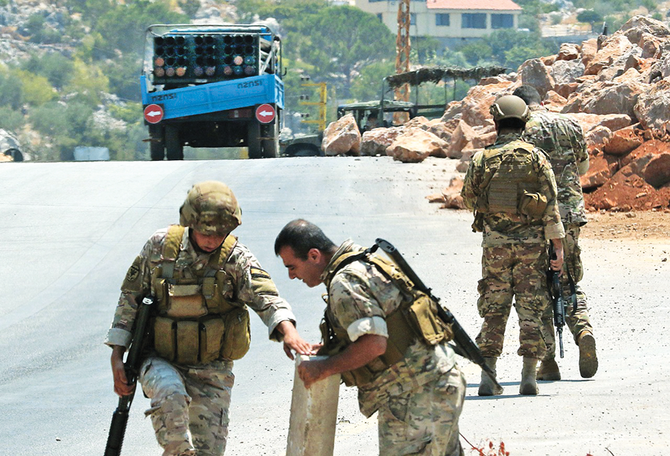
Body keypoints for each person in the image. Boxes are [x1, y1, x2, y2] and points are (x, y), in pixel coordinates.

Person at [105, 181, 311, 456]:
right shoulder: (160, 248)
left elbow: (266, 297)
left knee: (209, 452)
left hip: (212, 369)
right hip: (160, 358)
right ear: (190, 223)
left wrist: (289, 332)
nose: (213, 240)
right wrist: (117, 355)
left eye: (222, 233)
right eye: (205, 232)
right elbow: (129, 299)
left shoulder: (236, 259)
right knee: (170, 395)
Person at [274, 219, 466, 456]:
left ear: (314, 256)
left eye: (291, 267)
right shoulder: (363, 261)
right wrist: (331, 349)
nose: (292, 276)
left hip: (414, 395)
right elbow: (389, 325)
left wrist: (324, 368)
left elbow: (374, 344)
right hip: (438, 381)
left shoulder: (344, 282)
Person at [461, 94, 565, 396]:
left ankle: (488, 376)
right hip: (532, 247)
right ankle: (529, 376)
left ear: (496, 123)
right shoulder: (536, 157)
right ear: (523, 123)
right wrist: (557, 247)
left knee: (494, 308)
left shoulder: (482, 158)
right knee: (531, 306)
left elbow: (468, 198)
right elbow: (551, 205)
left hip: (495, 247)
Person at [513, 85, 598, 380]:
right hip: (571, 215)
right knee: (568, 279)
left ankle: (548, 361)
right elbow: (584, 166)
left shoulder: (522, 132)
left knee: (538, 288)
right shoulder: (570, 124)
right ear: (542, 102)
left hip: (537, 219)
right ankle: (583, 327)